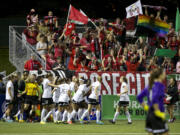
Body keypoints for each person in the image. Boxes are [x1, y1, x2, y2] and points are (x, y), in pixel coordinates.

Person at [137, 68, 169, 135]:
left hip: (149, 114)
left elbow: (139, 97)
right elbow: (154, 98)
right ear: (159, 75)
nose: (165, 74)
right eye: (163, 73)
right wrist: (157, 112)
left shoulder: (149, 86)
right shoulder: (159, 85)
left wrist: (146, 107)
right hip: (157, 115)